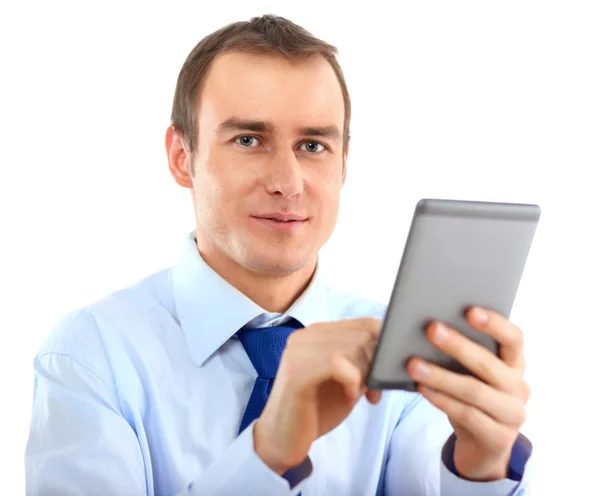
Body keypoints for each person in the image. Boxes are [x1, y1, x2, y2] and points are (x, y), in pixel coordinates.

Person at [25, 14, 532, 495]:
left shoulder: (405, 356)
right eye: (249, 139)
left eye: (313, 146)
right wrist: (267, 453)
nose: (287, 183)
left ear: (343, 166)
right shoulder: (91, 356)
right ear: (183, 158)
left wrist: (480, 469)